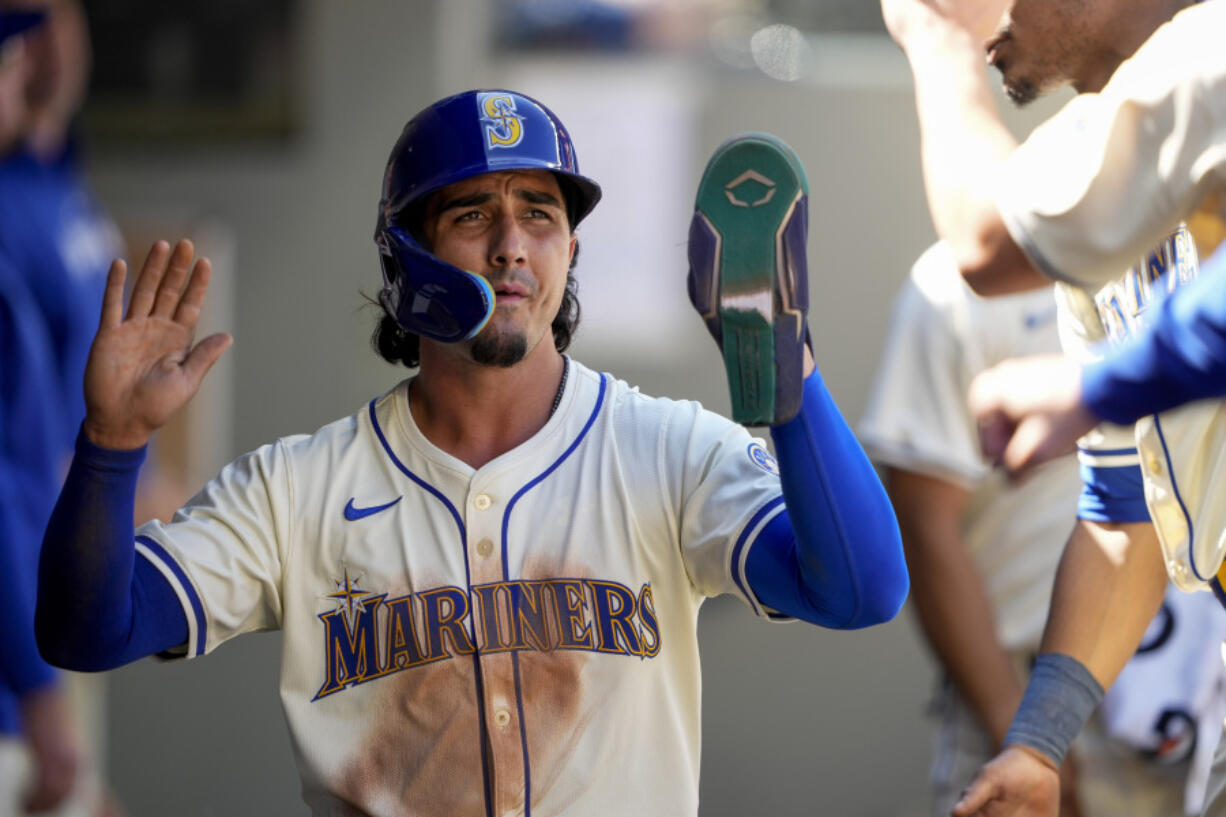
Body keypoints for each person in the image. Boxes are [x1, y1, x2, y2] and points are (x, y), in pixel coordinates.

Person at [31, 90, 909, 815]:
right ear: (405, 251)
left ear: (570, 247)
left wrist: (788, 377)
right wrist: (113, 445)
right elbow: (86, 629)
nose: (512, 244)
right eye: (472, 212)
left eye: (540, 213)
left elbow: (862, 589)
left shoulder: (669, 449)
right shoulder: (298, 487)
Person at [879, 0, 1226, 813]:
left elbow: (984, 242)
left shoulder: (1214, 42)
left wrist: (937, 41)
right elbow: (1123, 510)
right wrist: (1040, 737)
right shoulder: (1102, 149)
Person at [860, 241, 1223, 817]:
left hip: (1184, 673)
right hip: (1062, 663)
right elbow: (1127, 511)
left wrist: (1093, 388)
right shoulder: (1083, 273)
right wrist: (1036, 737)